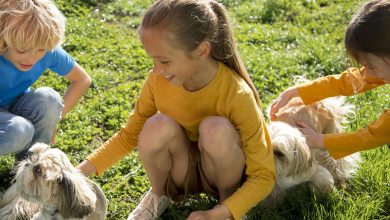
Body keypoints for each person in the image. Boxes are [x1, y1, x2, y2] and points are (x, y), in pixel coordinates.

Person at [78, 0, 275, 219]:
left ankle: (226, 204)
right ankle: (160, 194)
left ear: (201, 51)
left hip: (221, 173)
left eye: (164, 60)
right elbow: (129, 136)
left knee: (215, 128)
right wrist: (77, 174)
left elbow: (263, 175)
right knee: (156, 126)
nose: (156, 69)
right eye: (152, 60)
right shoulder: (157, 81)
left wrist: (220, 213)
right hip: (183, 173)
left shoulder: (237, 94)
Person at [270, 0, 390, 160]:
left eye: (371, 66)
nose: (366, 72)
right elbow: (346, 82)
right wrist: (297, 92)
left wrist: (320, 140)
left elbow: (371, 136)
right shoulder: (382, 67)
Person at [0, 0, 91, 160]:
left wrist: (55, 118)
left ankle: (31, 169)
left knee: (49, 100)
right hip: (12, 125)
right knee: (20, 130)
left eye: (40, 50)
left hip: (13, 106)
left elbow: (82, 80)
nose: (32, 58)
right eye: (22, 50)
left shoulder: (47, 49)